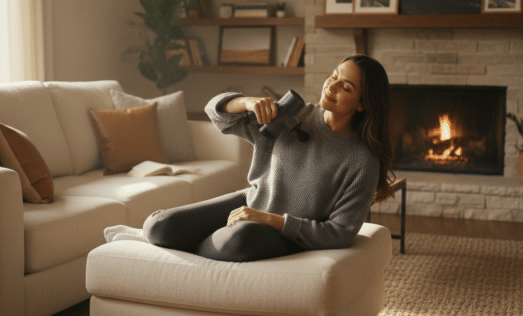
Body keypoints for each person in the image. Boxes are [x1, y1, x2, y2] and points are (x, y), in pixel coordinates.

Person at [104, 54, 394, 262]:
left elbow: (340, 232)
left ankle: (173, 246)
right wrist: (247, 102)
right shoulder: (295, 114)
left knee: (240, 240)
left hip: (282, 233)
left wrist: (269, 219)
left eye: (346, 87)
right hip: (251, 203)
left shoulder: (362, 161)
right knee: (159, 226)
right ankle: (157, 237)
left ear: (362, 104)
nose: (331, 87)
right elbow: (216, 114)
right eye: (334, 76)